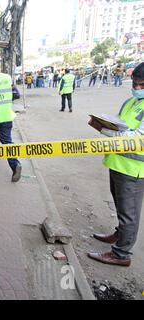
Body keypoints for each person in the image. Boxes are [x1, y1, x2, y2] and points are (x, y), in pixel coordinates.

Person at [87, 62, 144, 267]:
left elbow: (137, 137)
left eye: (141, 85)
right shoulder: (130, 102)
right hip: (118, 163)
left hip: (134, 170)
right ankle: (119, 235)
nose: (137, 89)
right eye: (135, 84)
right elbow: (120, 124)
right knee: (121, 206)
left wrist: (103, 130)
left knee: (130, 213)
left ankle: (121, 254)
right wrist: (106, 124)